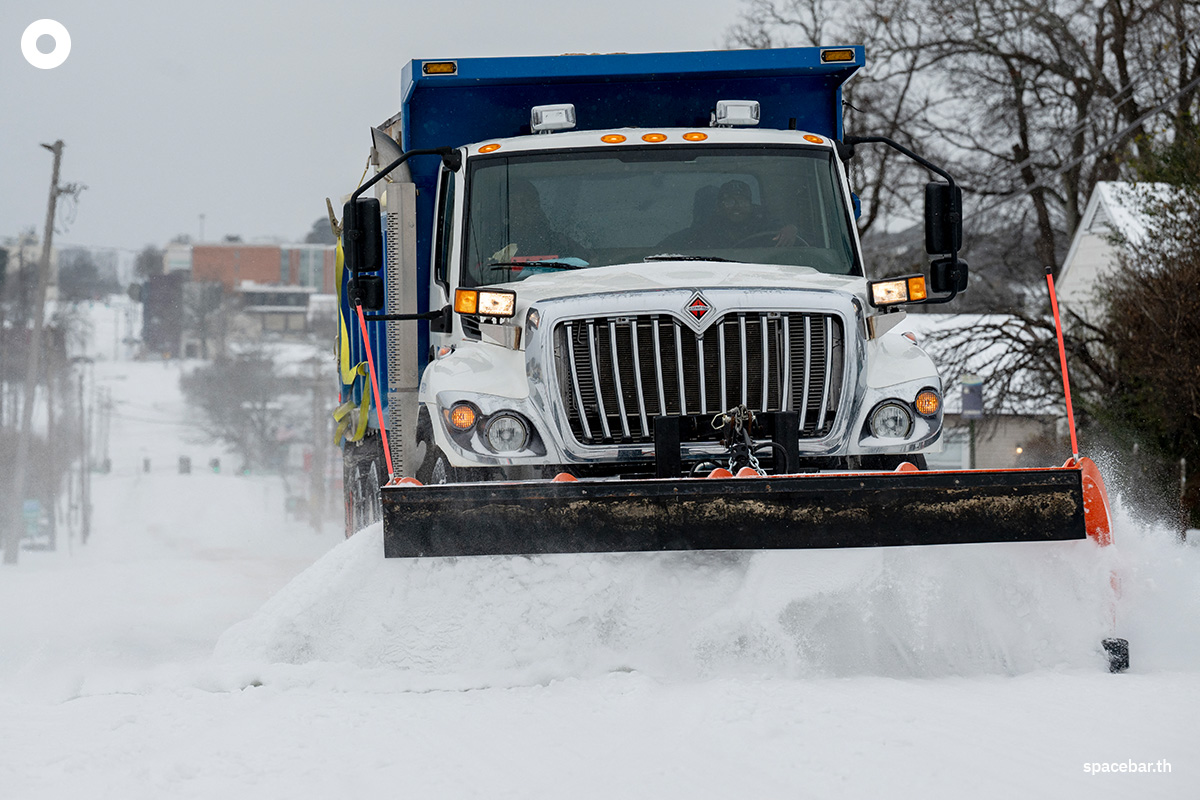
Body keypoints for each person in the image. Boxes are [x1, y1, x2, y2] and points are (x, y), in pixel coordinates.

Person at [660, 179, 799, 250]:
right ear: (719, 207)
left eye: (742, 201)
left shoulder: (769, 227)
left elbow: (809, 242)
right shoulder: (703, 233)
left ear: (752, 205)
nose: (737, 207)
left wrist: (792, 229)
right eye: (730, 202)